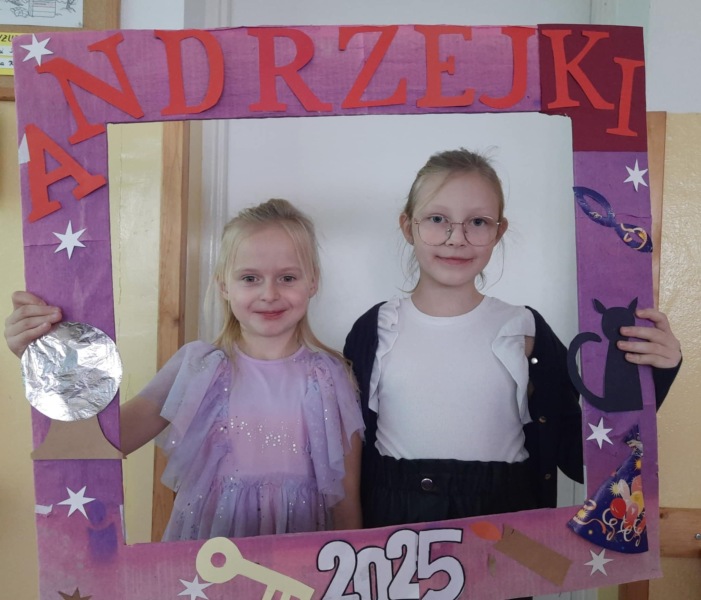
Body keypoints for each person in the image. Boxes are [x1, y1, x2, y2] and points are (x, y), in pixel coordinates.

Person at [343, 148, 682, 531]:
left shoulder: (526, 330)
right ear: (408, 227)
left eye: (478, 222)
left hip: (506, 525)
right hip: (394, 525)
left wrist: (654, 373)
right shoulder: (374, 329)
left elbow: (579, 456)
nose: (457, 238)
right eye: (438, 219)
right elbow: (346, 456)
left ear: (499, 231)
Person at [5, 198, 364, 541]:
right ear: (223, 285)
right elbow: (110, 437)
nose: (269, 293)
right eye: (250, 278)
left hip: (297, 563)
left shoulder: (330, 376)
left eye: (287, 278)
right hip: (203, 564)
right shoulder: (197, 367)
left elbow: (346, 499)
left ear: (312, 282)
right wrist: (48, 361)